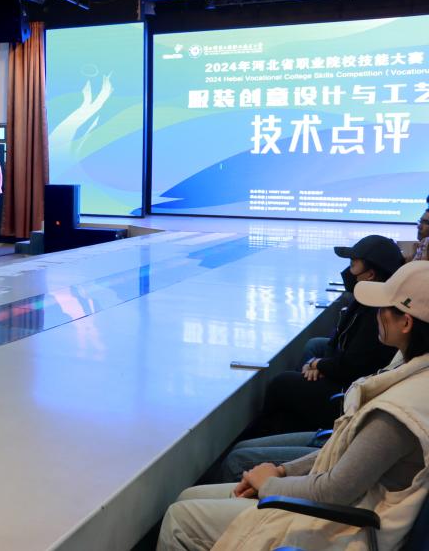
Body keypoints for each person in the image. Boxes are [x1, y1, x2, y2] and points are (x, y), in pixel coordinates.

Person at [158, 261, 429, 551]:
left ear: (406, 323)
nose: (377, 314)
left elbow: (335, 490)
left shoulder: (395, 413)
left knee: (179, 519)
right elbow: (346, 455)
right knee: (187, 497)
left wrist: (269, 485)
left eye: (383, 308)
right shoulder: (410, 371)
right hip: (339, 506)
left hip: (338, 527)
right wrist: (282, 472)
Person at [243, 235, 403, 437]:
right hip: (349, 375)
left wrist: (318, 365)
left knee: (281, 383)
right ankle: (291, 419)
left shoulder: (377, 314)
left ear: (370, 274)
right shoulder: (366, 299)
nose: (348, 271)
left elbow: (353, 366)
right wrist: (320, 365)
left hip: (350, 393)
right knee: (314, 348)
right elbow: (340, 338)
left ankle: (265, 433)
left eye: (352, 265)